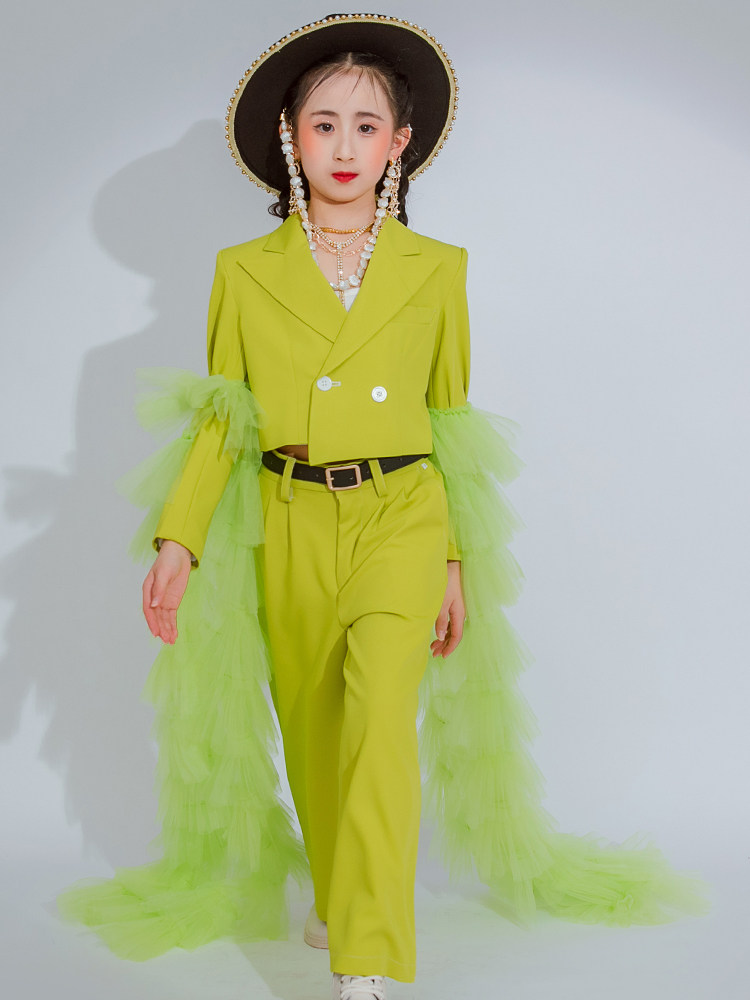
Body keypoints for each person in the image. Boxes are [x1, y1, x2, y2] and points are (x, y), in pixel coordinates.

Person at [57, 14, 711, 1000]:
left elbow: (448, 421)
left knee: (379, 729)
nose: (345, 146)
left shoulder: (436, 269)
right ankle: (337, 890)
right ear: (291, 136)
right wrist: (179, 540)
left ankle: (367, 957)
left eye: (367, 126)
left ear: (400, 142)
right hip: (289, 517)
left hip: (401, 514)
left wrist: (452, 559)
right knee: (314, 732)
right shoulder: (243, 270)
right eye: (324, 124)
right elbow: (223, 417)